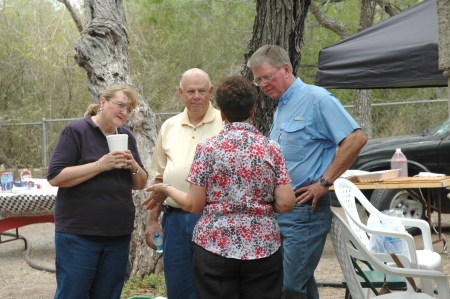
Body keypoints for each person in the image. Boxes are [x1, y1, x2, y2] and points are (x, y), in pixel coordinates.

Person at [143, 75, 295, 299]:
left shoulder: (207, 149)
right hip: (262, 247)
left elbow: (194, 205)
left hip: (215, 247)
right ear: (252, 111)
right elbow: (286, 202)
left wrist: (166, 189)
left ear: (221, 113)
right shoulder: (271, 148)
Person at [247, 45, 368, 298]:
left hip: (306, 211)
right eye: (259, 80)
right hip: (282, 210)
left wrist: (324, 182)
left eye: (267, 77)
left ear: (286, 69)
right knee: (298, 283)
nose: (264, 84)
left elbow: (356, 139)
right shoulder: (282, 106)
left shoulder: (317, 99)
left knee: (289, 287)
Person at [47, 85, 148, 299]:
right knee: (73, 294)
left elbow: (140, 183)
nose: (124, 112)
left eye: (129, 109)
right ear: (102, 103)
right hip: (79, 233)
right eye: (120, 105)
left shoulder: (127, 136)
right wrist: (100, 165)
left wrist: (133, 166)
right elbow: (55, 176)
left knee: (108, 294)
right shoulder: (76, 131)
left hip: (118, 233)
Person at [144, 68, 223, 299]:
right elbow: (159, 177)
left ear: (211, 91)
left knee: (212, 287)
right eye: (190, 91)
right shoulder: (169, 126)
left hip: (212, 218)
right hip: (174, 219)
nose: (196, 96)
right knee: (177, 287)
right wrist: (152, 222)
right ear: (181, 93)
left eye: (201, 91)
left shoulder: (225, 121)